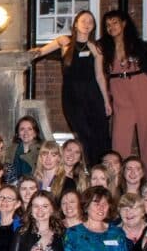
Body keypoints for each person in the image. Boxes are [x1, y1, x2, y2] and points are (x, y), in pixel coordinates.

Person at [31, 10, 113, 161]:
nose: (87, 24)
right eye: (83, 21)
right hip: (72, 97)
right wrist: (31, 53)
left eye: (90, 22)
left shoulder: (96, 48)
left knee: (100, 136)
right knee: (83, 134)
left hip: (93, 96)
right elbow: (40, 51)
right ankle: (87, 168)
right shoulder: (65, 42)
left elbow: (100, 76)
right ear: (75, 24)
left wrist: (106, 101)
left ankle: (100, 170)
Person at [100, 10, 147, 178]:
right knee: (119, 138)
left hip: (143, 87)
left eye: (115, 22)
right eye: (108, 25)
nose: (111, 27)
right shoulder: (103, 47)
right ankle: (117, 179)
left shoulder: (138, 45)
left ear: (124, 23)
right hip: (119, 90)